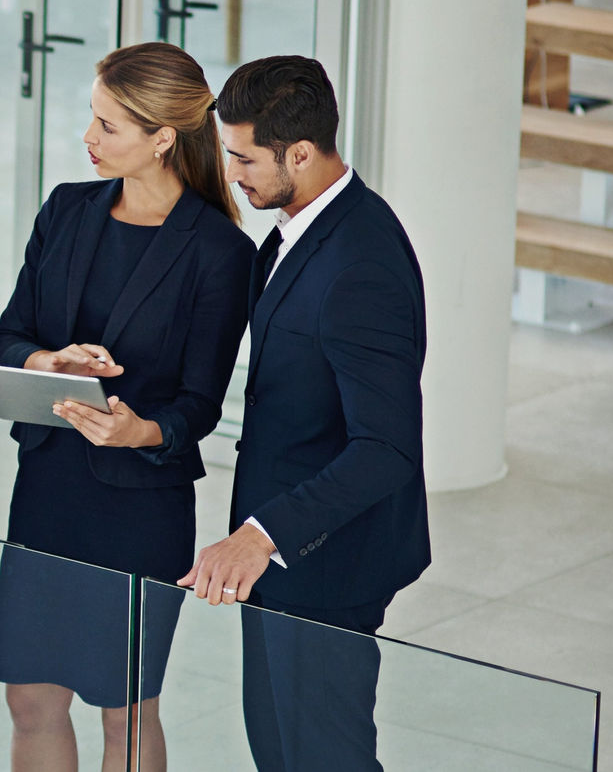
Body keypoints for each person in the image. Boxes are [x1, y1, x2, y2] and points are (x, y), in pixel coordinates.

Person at [0, 42, 255, 772]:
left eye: (107, 125)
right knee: (30, 700)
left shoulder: (219, 252)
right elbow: (8, 337)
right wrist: (51, 361)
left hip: (138, 506)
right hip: (47, 490)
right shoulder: (67, 210)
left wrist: (141, 430)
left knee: (125, 710)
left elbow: (200, 401)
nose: (89, 137)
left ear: (162, 137)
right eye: (92, 120)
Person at [179, 55, 430, 771]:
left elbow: (385, 448)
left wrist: (261, 536)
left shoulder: (362, 264)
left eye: (244, 158)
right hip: (285, 566)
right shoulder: (298, 227)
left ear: (301, 152)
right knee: (281, 753)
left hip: (324, 568)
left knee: (323, 759)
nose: (233, 174)